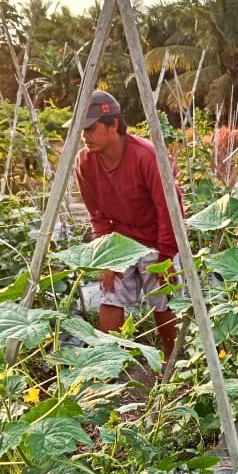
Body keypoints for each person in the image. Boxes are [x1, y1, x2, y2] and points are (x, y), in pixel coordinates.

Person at [73, 90, 182, 360]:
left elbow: (169, 210)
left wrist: (167, 257)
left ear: (113, 125)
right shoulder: (85, 162)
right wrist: (106, 257)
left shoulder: (147, 156)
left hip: (156, 238)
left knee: (163, 300)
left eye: (90, 128)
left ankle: (172, 363)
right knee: (110, 295)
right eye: (82, 130)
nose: (85, 136)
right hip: (119, 240)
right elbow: (97, 214)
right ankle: (109, 363)